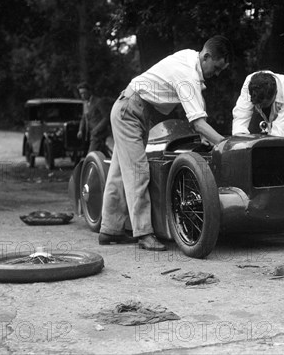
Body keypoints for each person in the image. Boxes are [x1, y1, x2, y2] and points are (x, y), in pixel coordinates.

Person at [99, 35, 233, 249]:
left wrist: (207, 136)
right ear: (206, 56)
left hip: (132, 108)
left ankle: (110, 229)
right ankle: (144, 234)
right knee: (138, 171)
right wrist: (225, 144)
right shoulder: (187, 74)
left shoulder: (190, 57)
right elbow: (198, 123)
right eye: (216, 68)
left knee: (119, 172)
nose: (215, 74)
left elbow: (198, 104)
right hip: (131, 111)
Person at [232, 71, 284, 162]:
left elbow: (278, 133)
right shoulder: (250, 82)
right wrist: (239, 143)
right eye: (256, 104)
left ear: (274, 94)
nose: (259, 107)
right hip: (277, 125)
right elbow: (242, 114)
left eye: (263, 104)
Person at [76, 82, 112, 154]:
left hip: (99, 134)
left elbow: (106, 117)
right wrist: (80, 130)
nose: (82, 95)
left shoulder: (98, 101)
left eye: (84, 93)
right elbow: (83, 118)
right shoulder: (85, 103)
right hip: (90, 134)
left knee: (91, 155)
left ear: (89, 91)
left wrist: (97, 129)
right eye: (81, 94)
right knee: (102, 154)